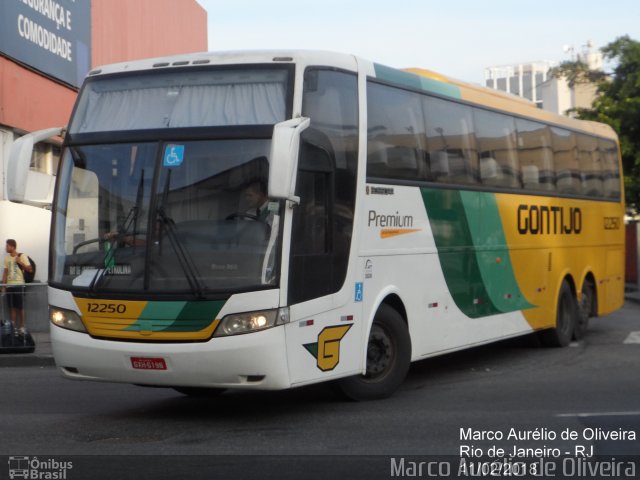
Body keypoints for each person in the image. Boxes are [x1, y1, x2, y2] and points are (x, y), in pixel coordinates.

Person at [2, 239, 32, 333]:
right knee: (12, 307)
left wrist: (20, 262)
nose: (6, 248)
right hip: (9, 286)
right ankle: (13, 327)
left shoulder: (22, 256)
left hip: (19, 285)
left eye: (7, 246)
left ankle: (22, 326)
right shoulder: (7, 258)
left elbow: (30, 269)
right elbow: (5, 273)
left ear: (13, 247)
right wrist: (3, 286)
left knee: (21, 307)